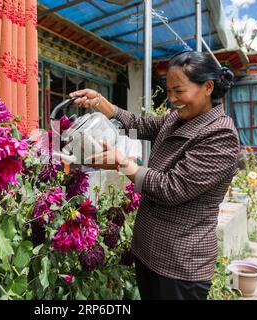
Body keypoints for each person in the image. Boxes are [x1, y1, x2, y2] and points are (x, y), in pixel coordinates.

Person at [69, 51, 240, 300]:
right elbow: (140, 124)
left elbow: (172, 189)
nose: (172, 99)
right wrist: (101, 103)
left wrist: (122, 163)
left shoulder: (220, 135)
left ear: (208, 87)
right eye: (169, 90)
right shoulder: (178, 118)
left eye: (179, 91)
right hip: (150, 252)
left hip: (180, 264)